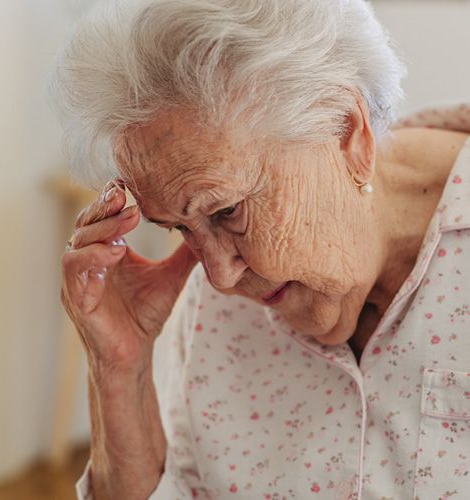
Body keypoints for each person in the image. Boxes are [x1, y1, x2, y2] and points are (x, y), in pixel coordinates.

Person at [50, 0, 470, 498]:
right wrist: (119, 369)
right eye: (177, 229)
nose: (220, 278)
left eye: (228, 212)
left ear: (347, 132)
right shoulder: (216, 300)